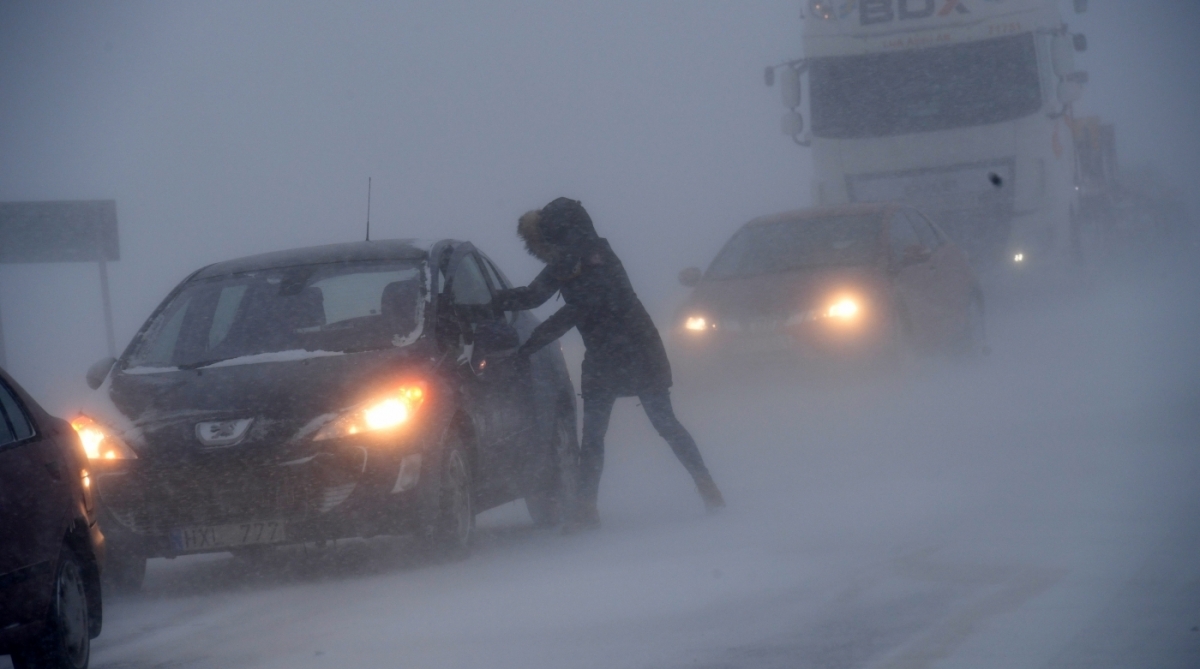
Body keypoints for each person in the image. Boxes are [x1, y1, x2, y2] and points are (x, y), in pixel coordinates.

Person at [494, 197, 725, 530]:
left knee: (610, 434)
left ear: (554, 234)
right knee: (651, 426)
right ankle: (703, 488)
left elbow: (569, 309)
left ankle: (590, 506)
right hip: (625, 349)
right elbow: (534, 297)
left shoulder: (582, 259)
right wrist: (491, 302)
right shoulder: (583, 255)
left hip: (623, 350)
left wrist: (527, 344)